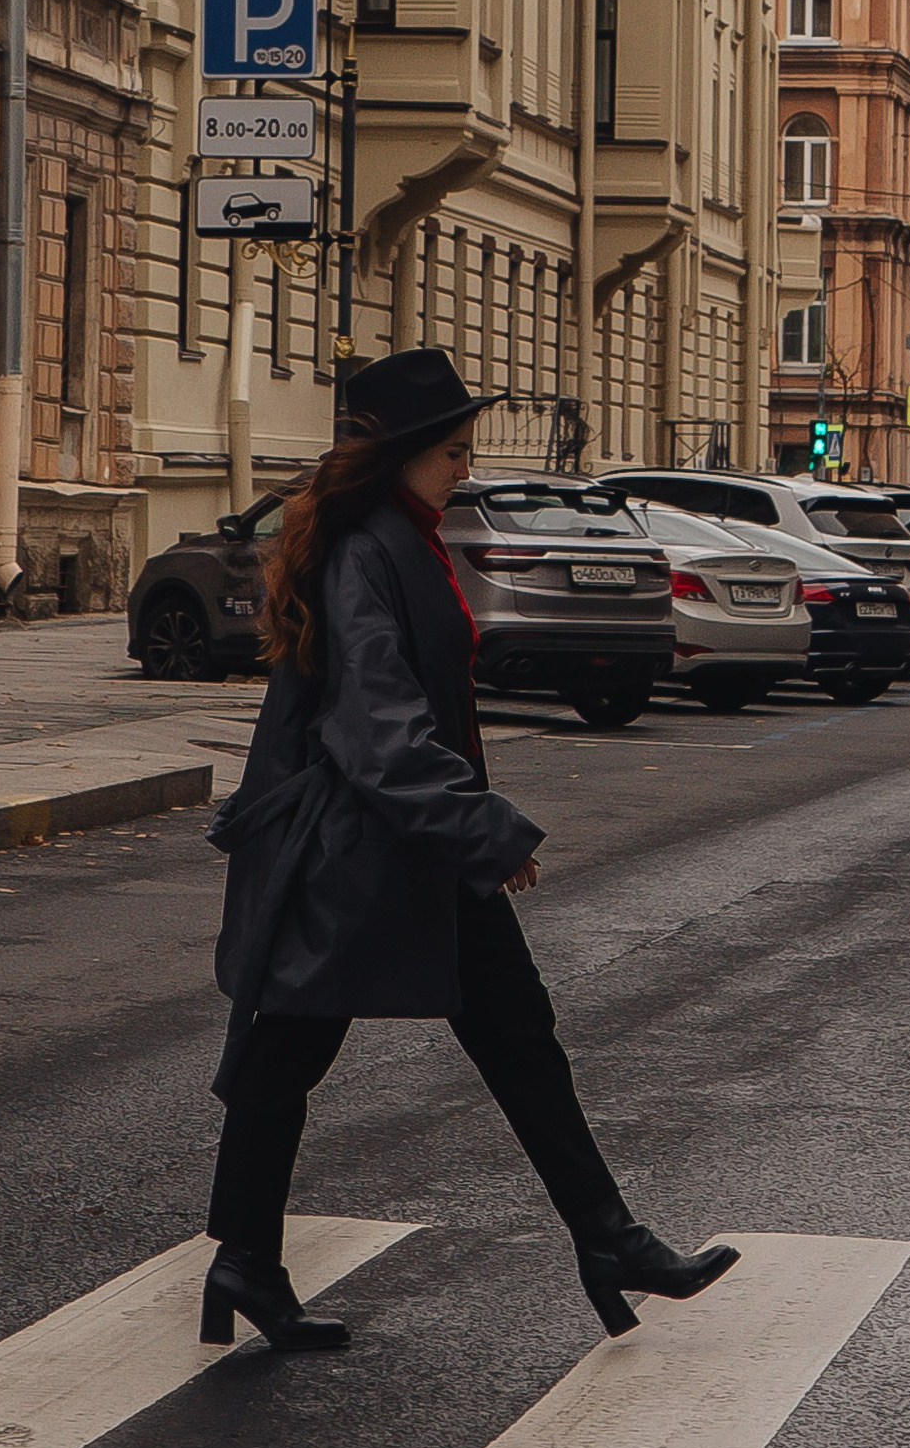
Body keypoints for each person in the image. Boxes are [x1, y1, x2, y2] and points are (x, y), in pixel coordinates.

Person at [200, 345, 737, 1354]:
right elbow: (381, 723)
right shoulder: (369, 548)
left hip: (400, 841)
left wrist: (462, 827)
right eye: (451, 452)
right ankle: (247, 1260)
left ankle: (607, 1238)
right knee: (289, 1051)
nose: (465, 470)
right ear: (397, 456)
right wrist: (477, 830)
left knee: (513, 1037)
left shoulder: (400, 534)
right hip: (361, 849)